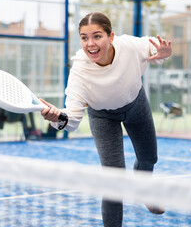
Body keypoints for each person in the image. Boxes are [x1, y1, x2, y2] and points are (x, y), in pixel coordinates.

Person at [40, 12, 172, 226]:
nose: (90, 44)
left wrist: (164, 52)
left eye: (97, 36)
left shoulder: (129, 45)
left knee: (149, 158)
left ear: (111, 37)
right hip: (102, 116)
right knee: (113, 179)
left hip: (136, 104)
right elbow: (71, 121)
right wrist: (57, 117)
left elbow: (157, 48)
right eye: (84, 37)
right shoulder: (79, 71)